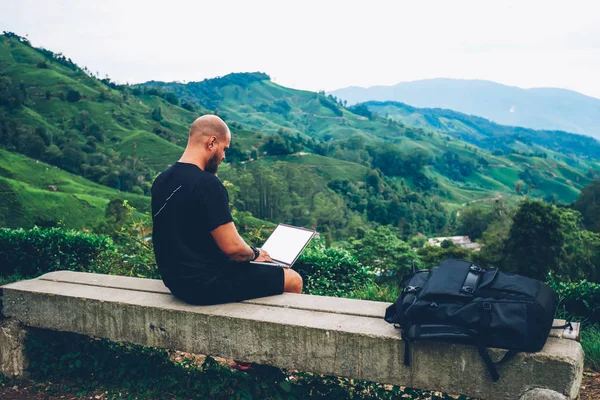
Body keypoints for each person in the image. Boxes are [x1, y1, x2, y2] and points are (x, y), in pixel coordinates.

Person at [151, 115, 303, 305]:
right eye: (224, 149)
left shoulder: (161, 180)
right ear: (212, 142)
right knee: (293, 279)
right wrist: (255, 254)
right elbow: (233, 248)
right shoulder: (207, 184)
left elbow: (187, 237)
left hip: (175, 281)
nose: (223, 156)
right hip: (203, 285)